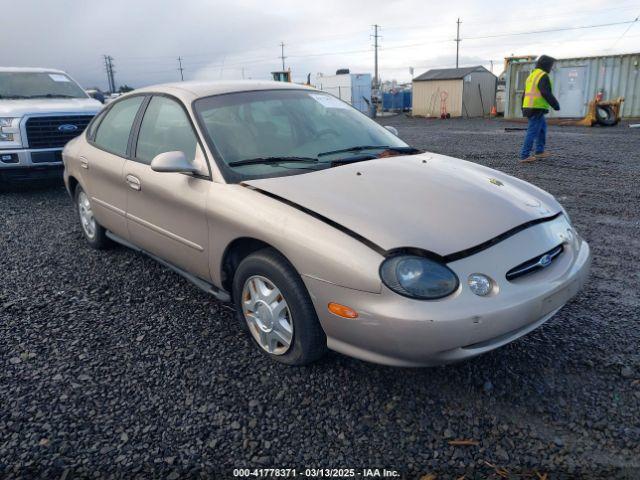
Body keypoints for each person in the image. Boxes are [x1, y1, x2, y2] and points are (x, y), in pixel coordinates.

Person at [520, 55, 560, 163]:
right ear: (546, 65)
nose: (551, 68)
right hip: (536, 107)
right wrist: (555, 105)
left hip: (530, 107)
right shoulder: (543, 76)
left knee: (542, 129)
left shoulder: (532, 76)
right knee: (532, 131)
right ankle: (524, 155)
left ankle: (539, 151)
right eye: (551, 65)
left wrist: (522, 107)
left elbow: (524, 94)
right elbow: (545, 92)